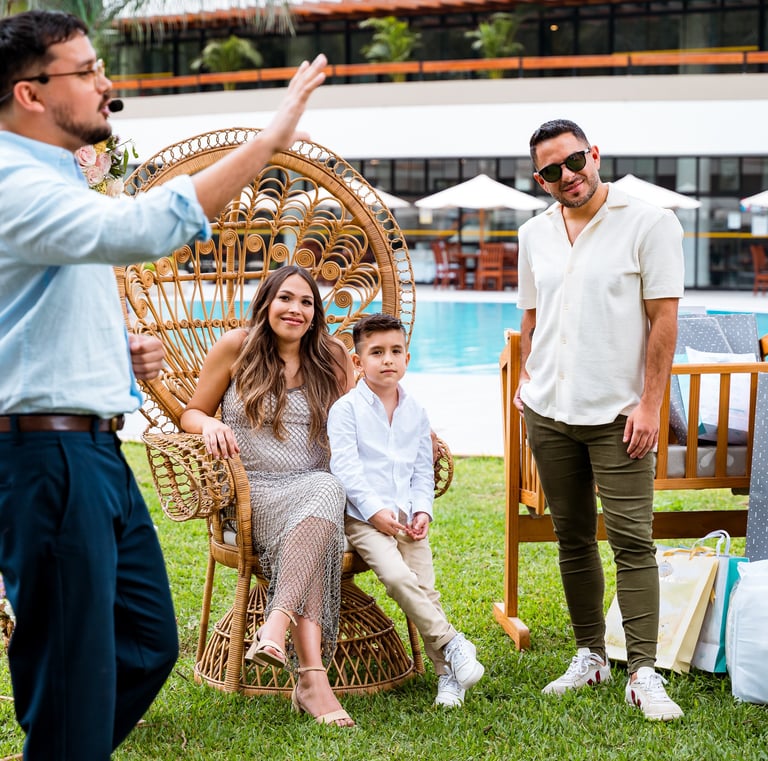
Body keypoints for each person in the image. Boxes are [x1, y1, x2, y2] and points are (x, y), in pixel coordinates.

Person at [0, 9, 327, 758]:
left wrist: (116, 355)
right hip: (45, 460)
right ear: (30, 93)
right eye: (85, 73)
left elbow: (31, 309)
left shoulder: (53, 183)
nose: (104, 85)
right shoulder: (13, 180)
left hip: (93, 454)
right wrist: (266, 144)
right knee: (73, 669)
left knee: (147, 640)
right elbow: (144, 229)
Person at [513, 119, 685, 721]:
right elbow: (533, 315)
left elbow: (664, 321)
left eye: (575, 160)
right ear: (541, 180)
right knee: (573, 538)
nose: (569, 176)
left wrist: (650, 403)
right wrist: (526, 381)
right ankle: (590, 654)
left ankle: (642, 671)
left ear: (594, 154)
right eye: (552, 171)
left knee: (634, 542)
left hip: (620, 416)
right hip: (549, 414)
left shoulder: (651, 224)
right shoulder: (533, 234)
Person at [180, 265, 356, 727]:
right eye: (286, 299)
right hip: (251, 495)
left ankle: (281, 638)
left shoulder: (333, 357)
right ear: (266, 302)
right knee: (322, 512)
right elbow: (192, 412)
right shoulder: (236, 347)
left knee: (323, 496)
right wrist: (211, 423)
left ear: (316, 314)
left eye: (306, 302)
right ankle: (311, 681)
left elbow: (359, 426)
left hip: (315, 490)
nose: (295, 310)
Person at [327, 313, 485, 709]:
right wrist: (376, 512)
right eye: (376, 352)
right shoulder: (345, 410)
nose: (387, 360)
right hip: (364, 520)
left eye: (395, 351)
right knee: (398, 577)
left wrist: (422, 512)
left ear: (408, 358)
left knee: (425, 590)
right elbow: (345, 469)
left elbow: (420, 469)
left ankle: (447, 676)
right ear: (358, 362)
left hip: (407, 518)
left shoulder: (415, 411)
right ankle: (452, 641)